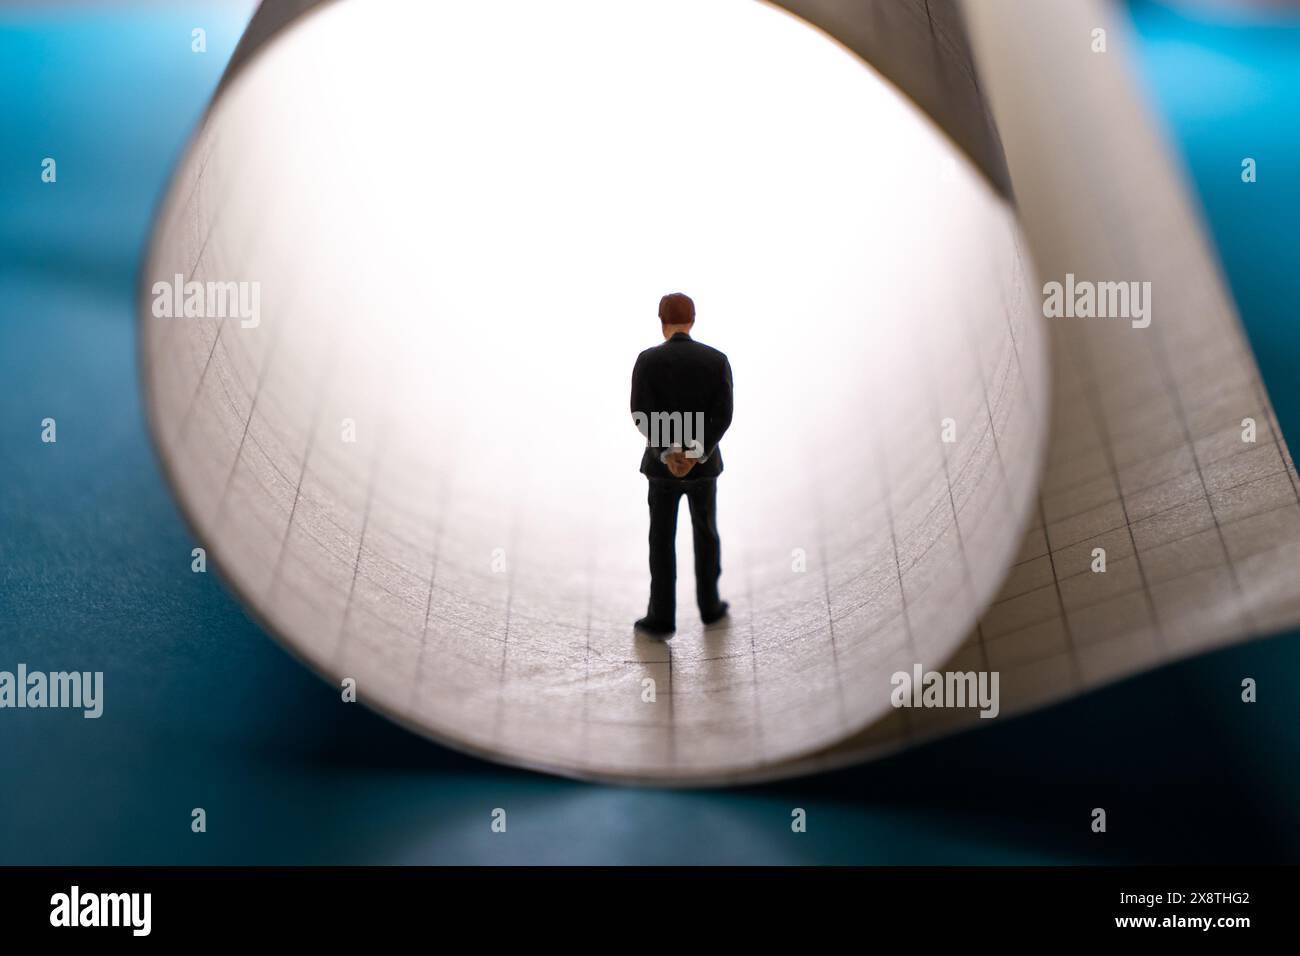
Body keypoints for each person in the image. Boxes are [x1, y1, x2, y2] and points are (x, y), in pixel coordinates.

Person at [630, 292, 733, 636]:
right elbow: (723, 415)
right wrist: (695, 451)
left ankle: (661, 618)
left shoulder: (647, 361)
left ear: (662, 323)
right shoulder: (716, 360)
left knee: (661, 540)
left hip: (661, 471)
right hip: (703, 469)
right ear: (692, 321)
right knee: (706, 534)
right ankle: (710, 607)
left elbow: (641, 412)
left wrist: (667, 452)